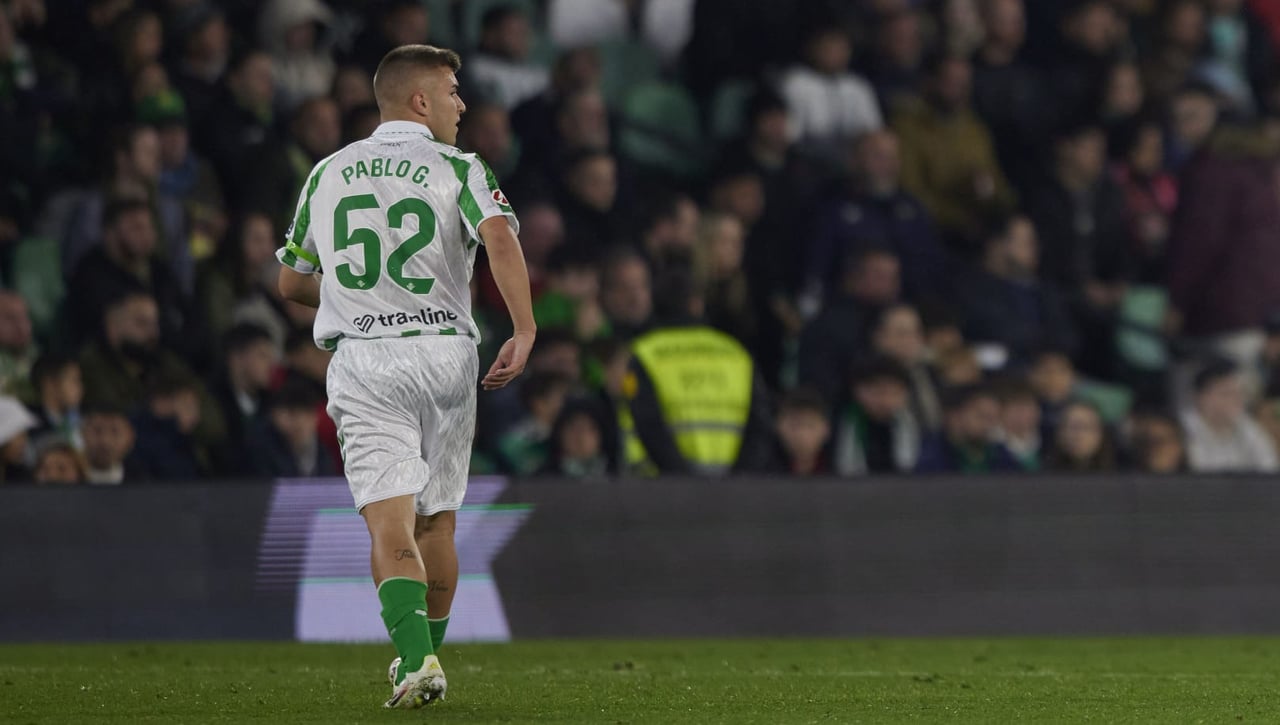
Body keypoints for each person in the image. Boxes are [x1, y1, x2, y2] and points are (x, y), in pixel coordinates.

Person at [275, 45, 534, 708]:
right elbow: (500, 238)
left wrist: (354, 300)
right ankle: (422, 657)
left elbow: (289, 279)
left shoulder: (327, 173)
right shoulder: (460, 168)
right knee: (437, 525)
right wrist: (525, 329)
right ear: (419, 100)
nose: (462, 103)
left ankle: (417, 659)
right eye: (452, 91)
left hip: (368, 360)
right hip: (448, 354)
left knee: (388, 524)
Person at [1181, 359, 1279, 472]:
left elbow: (1269, 469)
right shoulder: (1182, 430)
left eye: (1240, 393)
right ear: (1201, 397)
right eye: (1227, 393)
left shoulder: (1247, 425)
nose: (1237, 400)